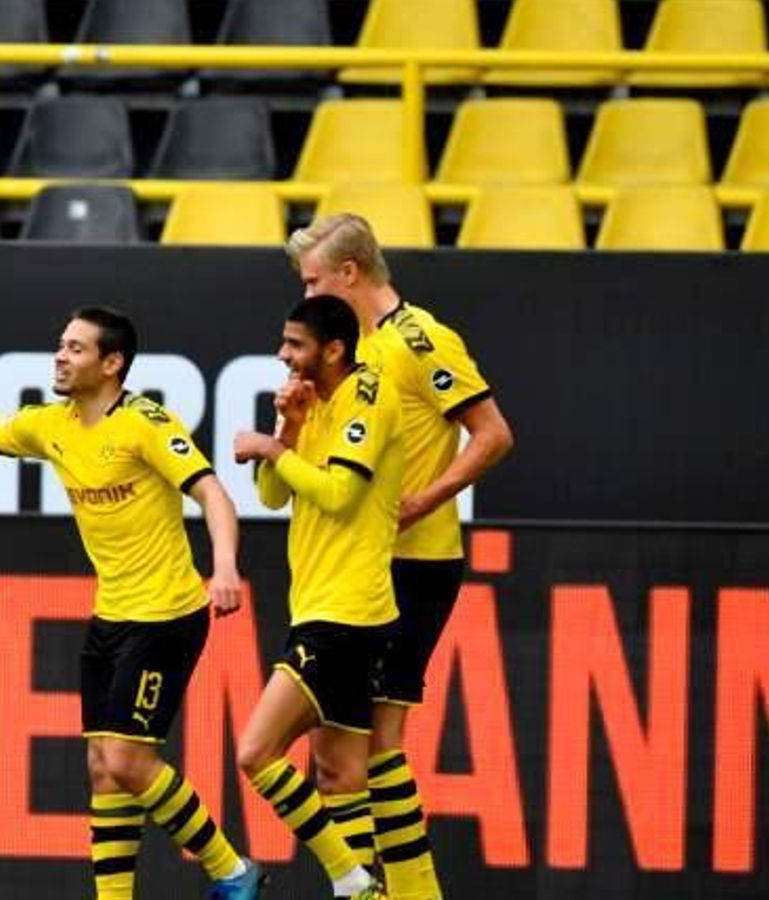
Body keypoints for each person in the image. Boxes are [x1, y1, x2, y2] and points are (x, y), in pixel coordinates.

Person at [0, 307, 264, 900]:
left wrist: (225, 567)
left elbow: (213, 493)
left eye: (77, 349)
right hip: (111, 615)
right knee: (103, 772)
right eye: (61, 344)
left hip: (166, 614)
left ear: (112, 364)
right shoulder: (48, 424)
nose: (60, 356)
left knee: (127, 760)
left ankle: (233, 870)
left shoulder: (146, 424)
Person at [286, 214, 515, 900]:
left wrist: (427, 496)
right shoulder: (353, 351)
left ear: (350, 274)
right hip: (358, 566)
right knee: (355, 753)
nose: (307, 294)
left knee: (353, 753)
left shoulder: (419, 338)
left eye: (314, 280)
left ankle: (379, 893)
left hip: (413, 563)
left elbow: (493, 433)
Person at [232, 294, 401, 900]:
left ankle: (352, 880)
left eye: (295, 344)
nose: (283, 354)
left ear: (333, 349)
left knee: (255, 752)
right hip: (324, 606)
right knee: (339, 778)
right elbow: (275, 497)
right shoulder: (317, 403)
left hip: (346, 613)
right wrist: (290, 428)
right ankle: (361, 891)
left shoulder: (370, 397)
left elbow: (338, 496)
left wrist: (273, 449)